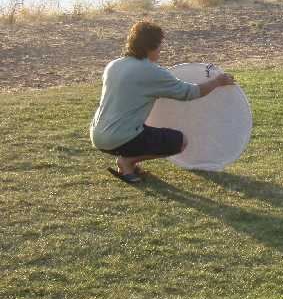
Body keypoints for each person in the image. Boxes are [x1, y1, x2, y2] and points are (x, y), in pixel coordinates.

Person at [90, 21, 235, 183]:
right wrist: (218, 81)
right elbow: (190, 92)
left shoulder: (113, 65)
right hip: (119, 138)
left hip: (97, 135)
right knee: (180, 142)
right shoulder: (151, 72)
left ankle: (127, 159)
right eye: (159, 46)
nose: (160, 50)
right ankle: (127, 161)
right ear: (151, 46)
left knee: (144, 131)